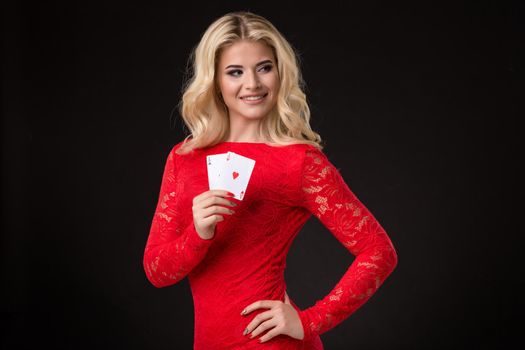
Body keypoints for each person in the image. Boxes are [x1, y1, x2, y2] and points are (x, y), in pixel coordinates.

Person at [143, 11, 398, 349]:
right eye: (235, 72)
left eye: (264, 67)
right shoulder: (185, 157)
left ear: (280, 72)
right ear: (215, 80)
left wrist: (308, 321)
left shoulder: (299, 162)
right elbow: (157, 271)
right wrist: (198, 234)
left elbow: (379, 251)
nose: (253, 84)